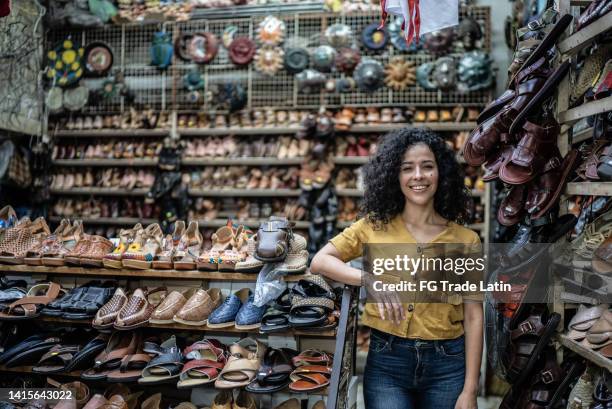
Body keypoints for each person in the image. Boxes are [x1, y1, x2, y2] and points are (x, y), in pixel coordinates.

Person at [310, 128, 483, 409]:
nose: (418, 176)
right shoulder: (373, 226)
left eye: (427, 167)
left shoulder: (466, 241)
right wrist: (368, 279)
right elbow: (321, 260)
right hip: (388, 362)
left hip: (447, 366)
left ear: (441, 174)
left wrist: (470, 390)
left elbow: (474, 317)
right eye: (407, 168)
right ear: (395, 176)